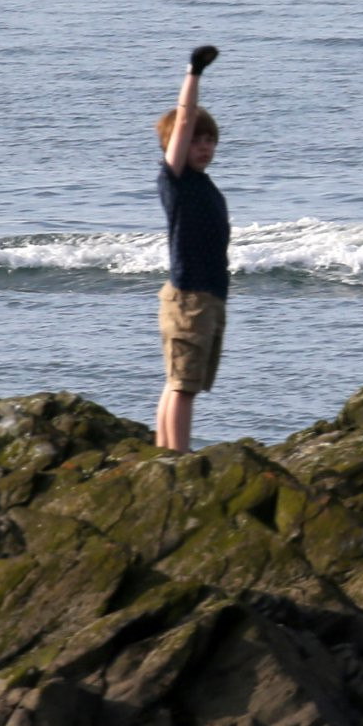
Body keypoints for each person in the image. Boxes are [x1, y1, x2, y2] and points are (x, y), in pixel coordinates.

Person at [155, 44, 227, 454]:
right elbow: (183, 119)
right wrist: (194, 73)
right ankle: (178, 458)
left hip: (206, 295)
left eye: (210, 141)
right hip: (190, 296)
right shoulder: (175, 179)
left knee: (183, 384)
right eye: (197, 141)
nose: (204, 147)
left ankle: (166, 453)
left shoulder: (204, 184)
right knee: (182, 385)